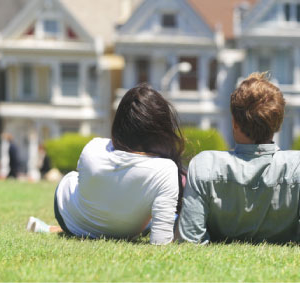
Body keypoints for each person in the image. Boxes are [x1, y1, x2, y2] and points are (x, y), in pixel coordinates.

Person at [177, 72, 300, 246]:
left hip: (220, 229)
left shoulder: (204, 164)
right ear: (278, 122)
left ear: (234, 122)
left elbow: (190, 240)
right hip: (291, 229)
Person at [26, 83, 185, 244]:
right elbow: (161, 241)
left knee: (71, 179)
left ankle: (54, 229)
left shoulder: (93, 147)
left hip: (74, 221)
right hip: (127, 229)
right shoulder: (165, 169)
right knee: (165, 213)